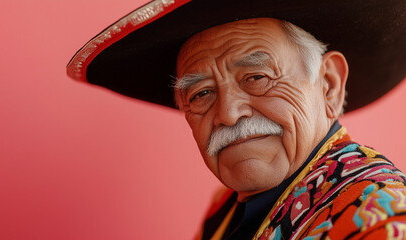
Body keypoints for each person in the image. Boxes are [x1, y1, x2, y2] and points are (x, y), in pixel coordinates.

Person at [67, 0, 406, 239]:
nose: (228, 114)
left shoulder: (379, 218)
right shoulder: (227, 207)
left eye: (256, 77)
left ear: (329, 85)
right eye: (201, 94)